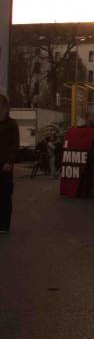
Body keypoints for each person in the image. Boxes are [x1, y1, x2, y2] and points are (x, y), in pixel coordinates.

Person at [0, 94, 19, 234]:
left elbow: (14, 144)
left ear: (6, 108)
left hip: (5, 165)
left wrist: (9, 161)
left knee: (5, 195)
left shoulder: (12, 124)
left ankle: (4, 225)